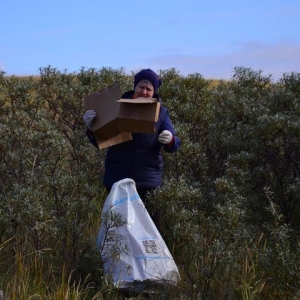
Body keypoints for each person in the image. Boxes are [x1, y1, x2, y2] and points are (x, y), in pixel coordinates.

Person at [83, 68, 180, 230]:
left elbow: (174, 144)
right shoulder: (116, 107)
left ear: (154, 92)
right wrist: (91, 128)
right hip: (118, 179)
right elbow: (101, 141)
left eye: (149, 89)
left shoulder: (161, 112)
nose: (144, 92)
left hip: (148, 181)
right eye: (141, 87)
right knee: (118, 230)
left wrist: (170, 139)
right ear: (135, 87)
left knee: (150, 230)